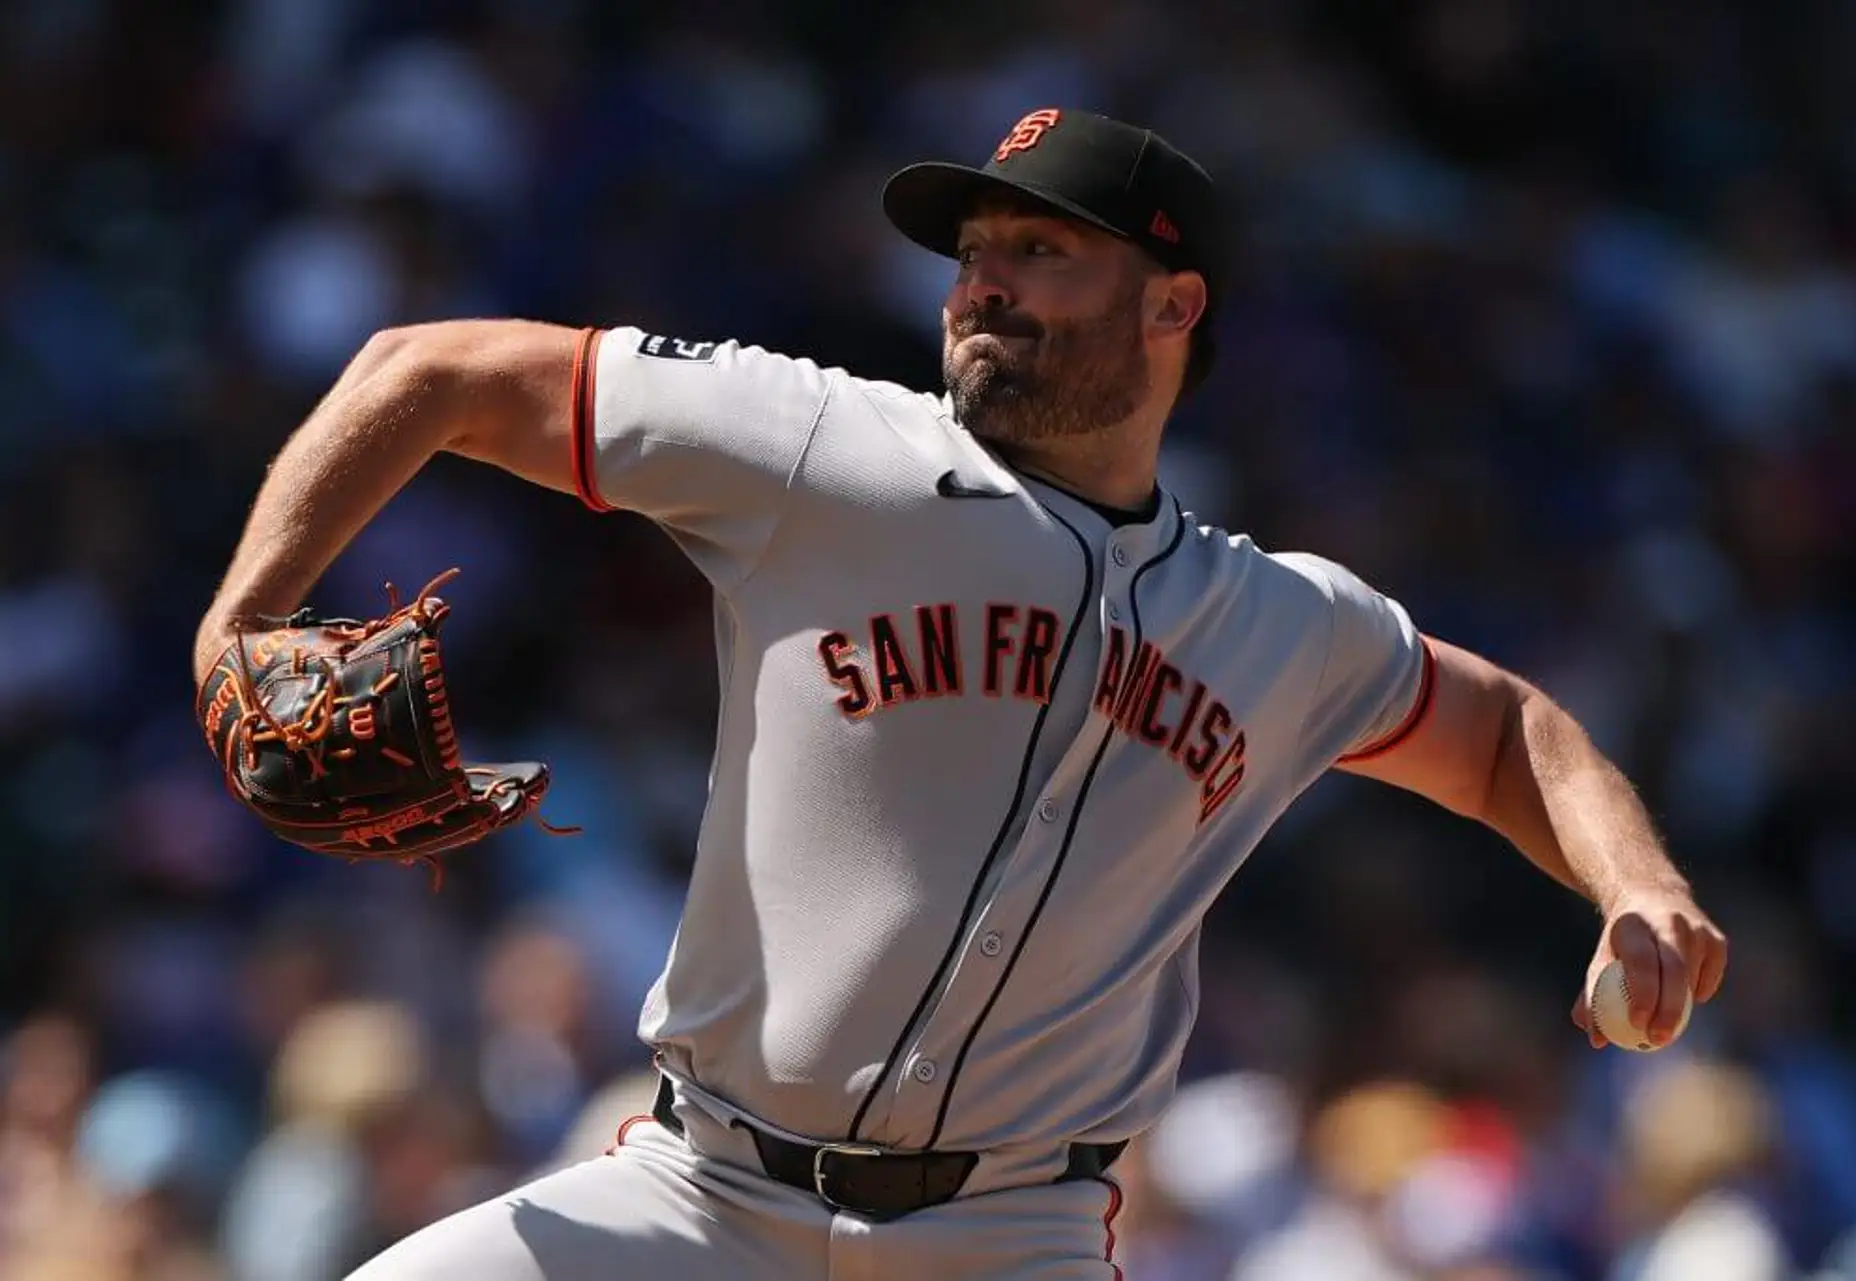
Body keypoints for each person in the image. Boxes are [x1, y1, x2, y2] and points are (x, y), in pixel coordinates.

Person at [192, 107, 1729, 1280]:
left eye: (1041, 253)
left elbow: (1505, 730)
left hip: (1012, 1239)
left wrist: (1636, 886)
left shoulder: (1280, 623)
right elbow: (428, 370)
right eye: (974, 251)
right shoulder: (821, 446)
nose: (982, 282)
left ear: (1173, 306)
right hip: (698, 1198)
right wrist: (240, 625)